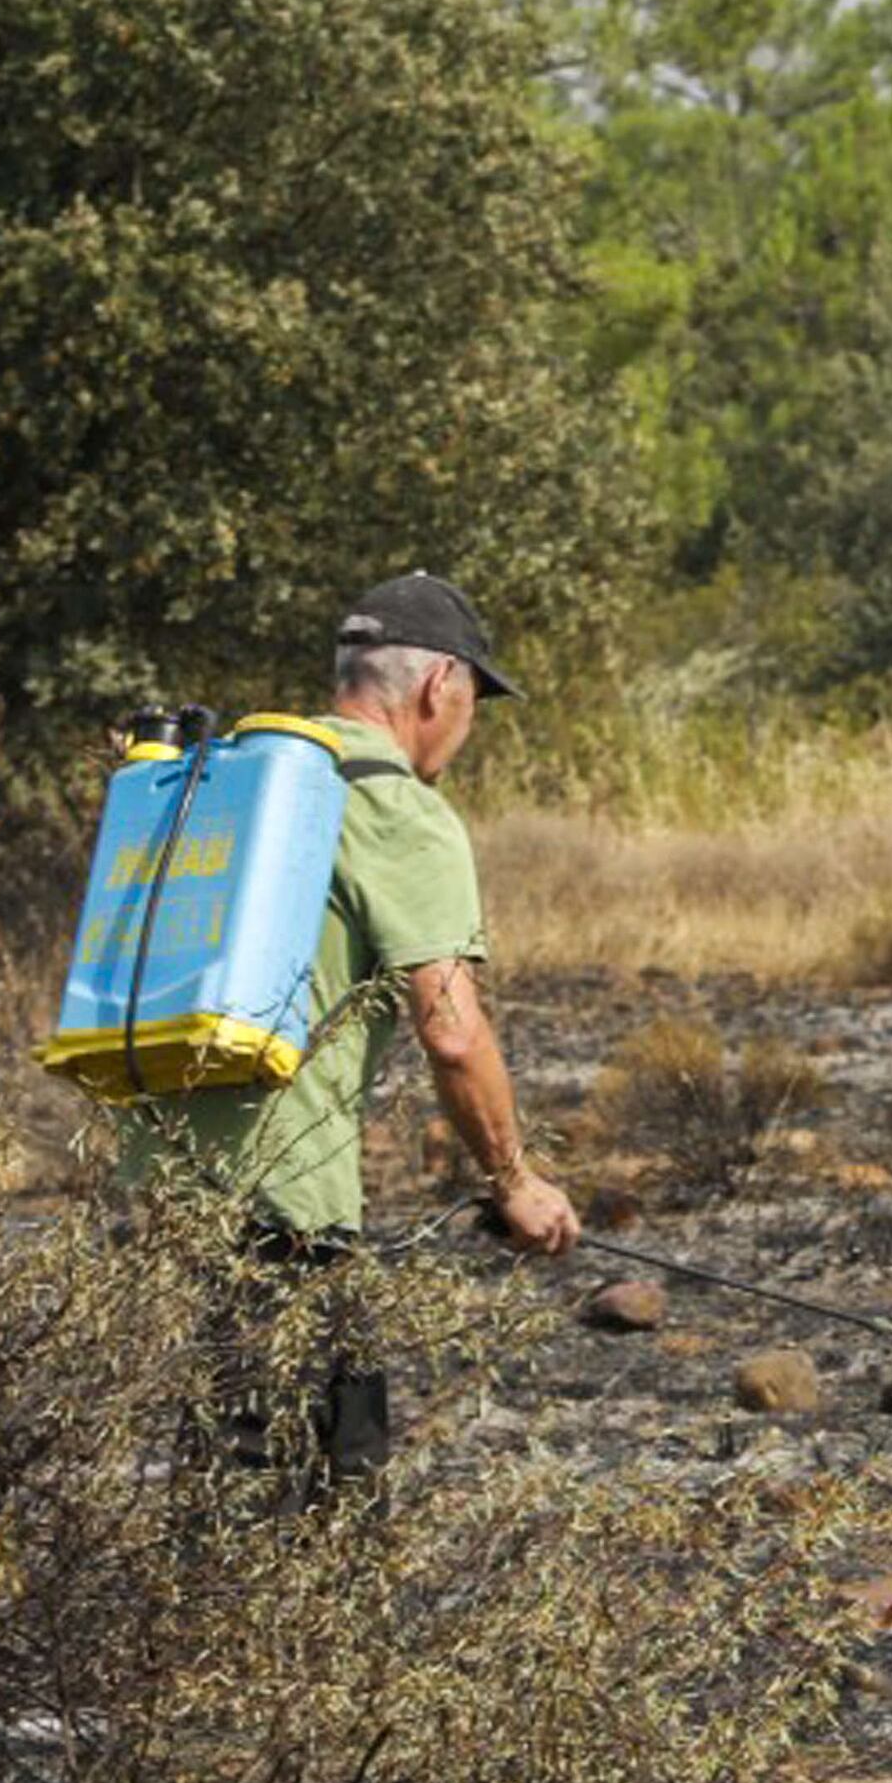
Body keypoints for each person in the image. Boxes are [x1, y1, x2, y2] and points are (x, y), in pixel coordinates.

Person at [126, 570, 581, 1483]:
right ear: (436, 685)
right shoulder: (397, 809)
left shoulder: (239, 777)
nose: (469, 721)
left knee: (229, 1459)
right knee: (324, 1485)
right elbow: (451, 1031)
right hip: (284, 1203)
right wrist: (514, 1179)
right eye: (475, 698)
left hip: (161, 1179)